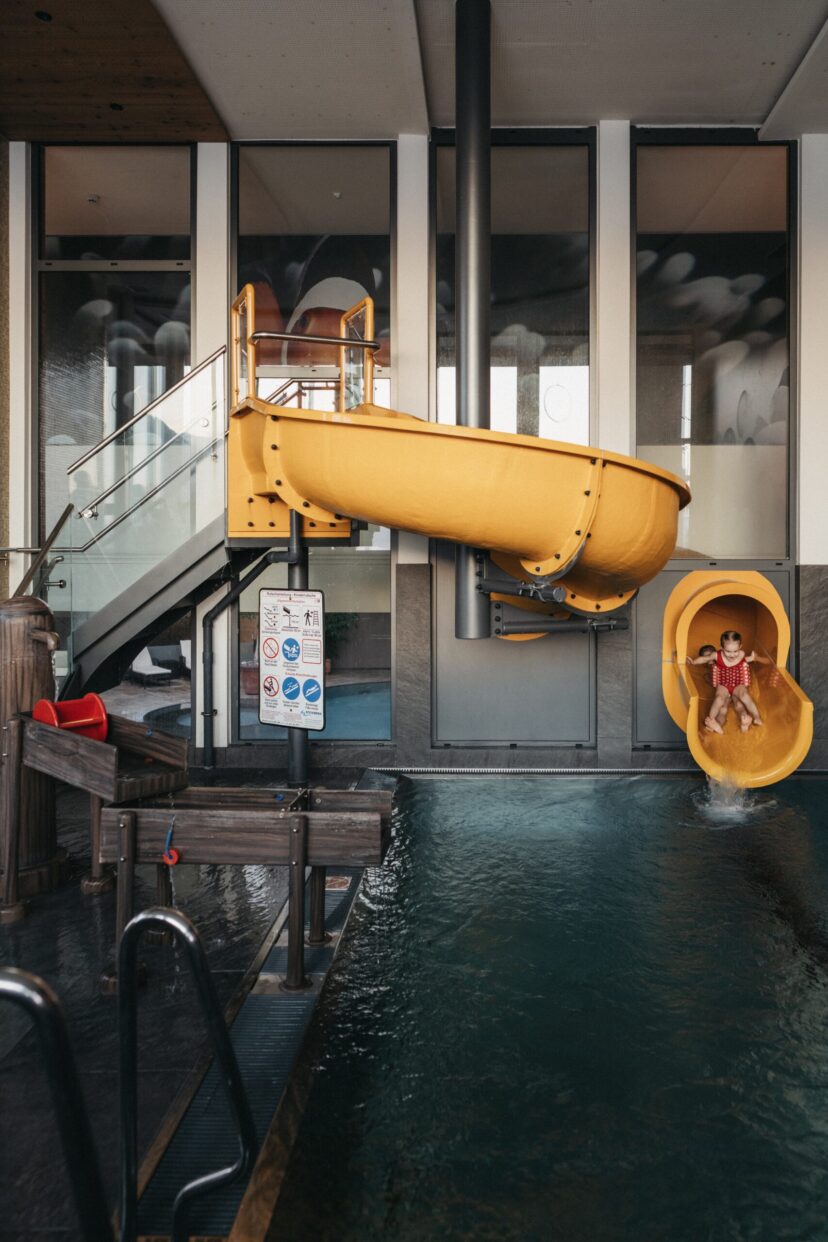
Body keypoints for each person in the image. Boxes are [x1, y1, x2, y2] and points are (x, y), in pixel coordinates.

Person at [688, 630, 763, 734]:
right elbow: (705, 659)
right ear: (721, 648)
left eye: (735, 651)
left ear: (740, 646)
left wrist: (754, 657)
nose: (732, 655)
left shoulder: (741, 655)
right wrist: (694, 662)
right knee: (720, 703)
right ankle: (712, 721)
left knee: (743, 699)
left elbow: (746, 659)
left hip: (737, 684)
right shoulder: (716, 656)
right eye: (728, 651)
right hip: (723, 685)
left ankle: (754, 718)